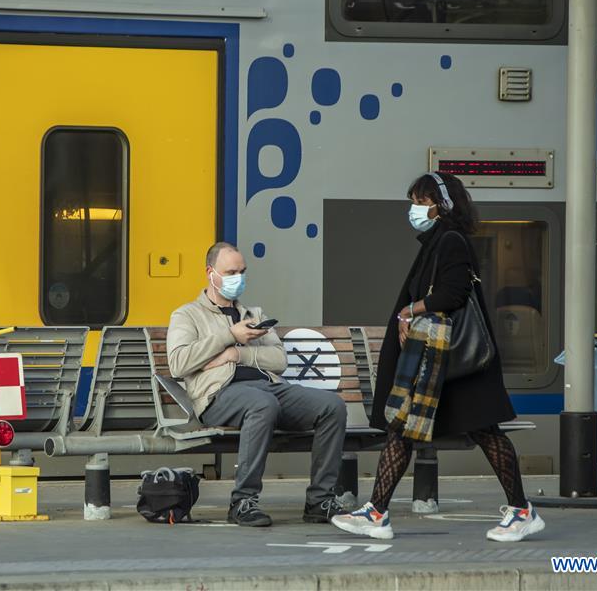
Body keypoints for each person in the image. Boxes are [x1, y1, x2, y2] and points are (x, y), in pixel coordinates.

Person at [331, 172, 546, 542]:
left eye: (420, 201)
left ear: (440, 205)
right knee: (403, 429)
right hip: (441, 363)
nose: (413, 209)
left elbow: (453, 294)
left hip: (458, 364)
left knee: (485, 433)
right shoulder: (439, 241)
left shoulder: (450, 241)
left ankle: (523, 511)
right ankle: (377, 512)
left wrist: (408, 311)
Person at [167, 242, 348, 527]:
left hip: (269, 389)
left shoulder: (255, 315)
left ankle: (320, 501)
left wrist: (237, 353)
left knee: (332, 406)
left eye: (242, 271)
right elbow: (178, 363)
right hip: (219, 395)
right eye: (230, 272)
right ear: (210, 273)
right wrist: (229, 336)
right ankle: (243, 502)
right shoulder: (187, 315)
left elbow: (278, 359)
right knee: (262, 405)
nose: (238, 278)